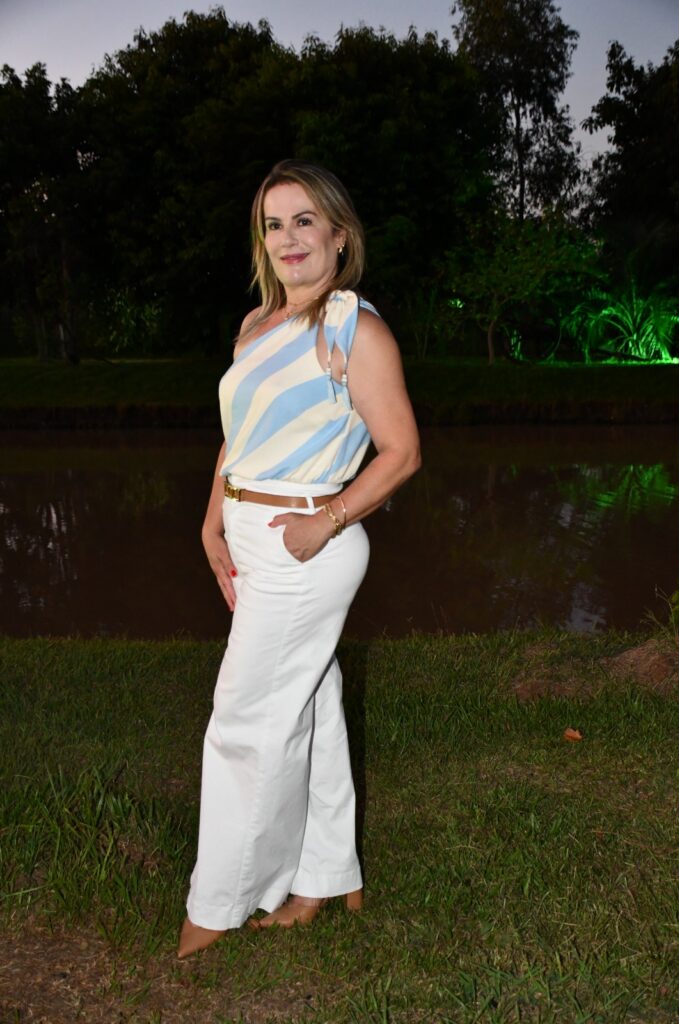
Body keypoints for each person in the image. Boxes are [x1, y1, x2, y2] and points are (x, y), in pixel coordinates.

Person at [178, 159, 420, 958]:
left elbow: (402, 452)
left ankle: (217, 907)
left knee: (243, 722)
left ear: (339, 235)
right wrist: (212, 523)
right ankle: (326, 874)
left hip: (305, 543)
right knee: (310, 705)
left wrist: (329, 521)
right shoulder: (257, 323)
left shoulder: (355, 330)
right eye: (273, 224)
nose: (287, 238)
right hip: (250, 532)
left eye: (304, 220)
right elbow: (237, 438)